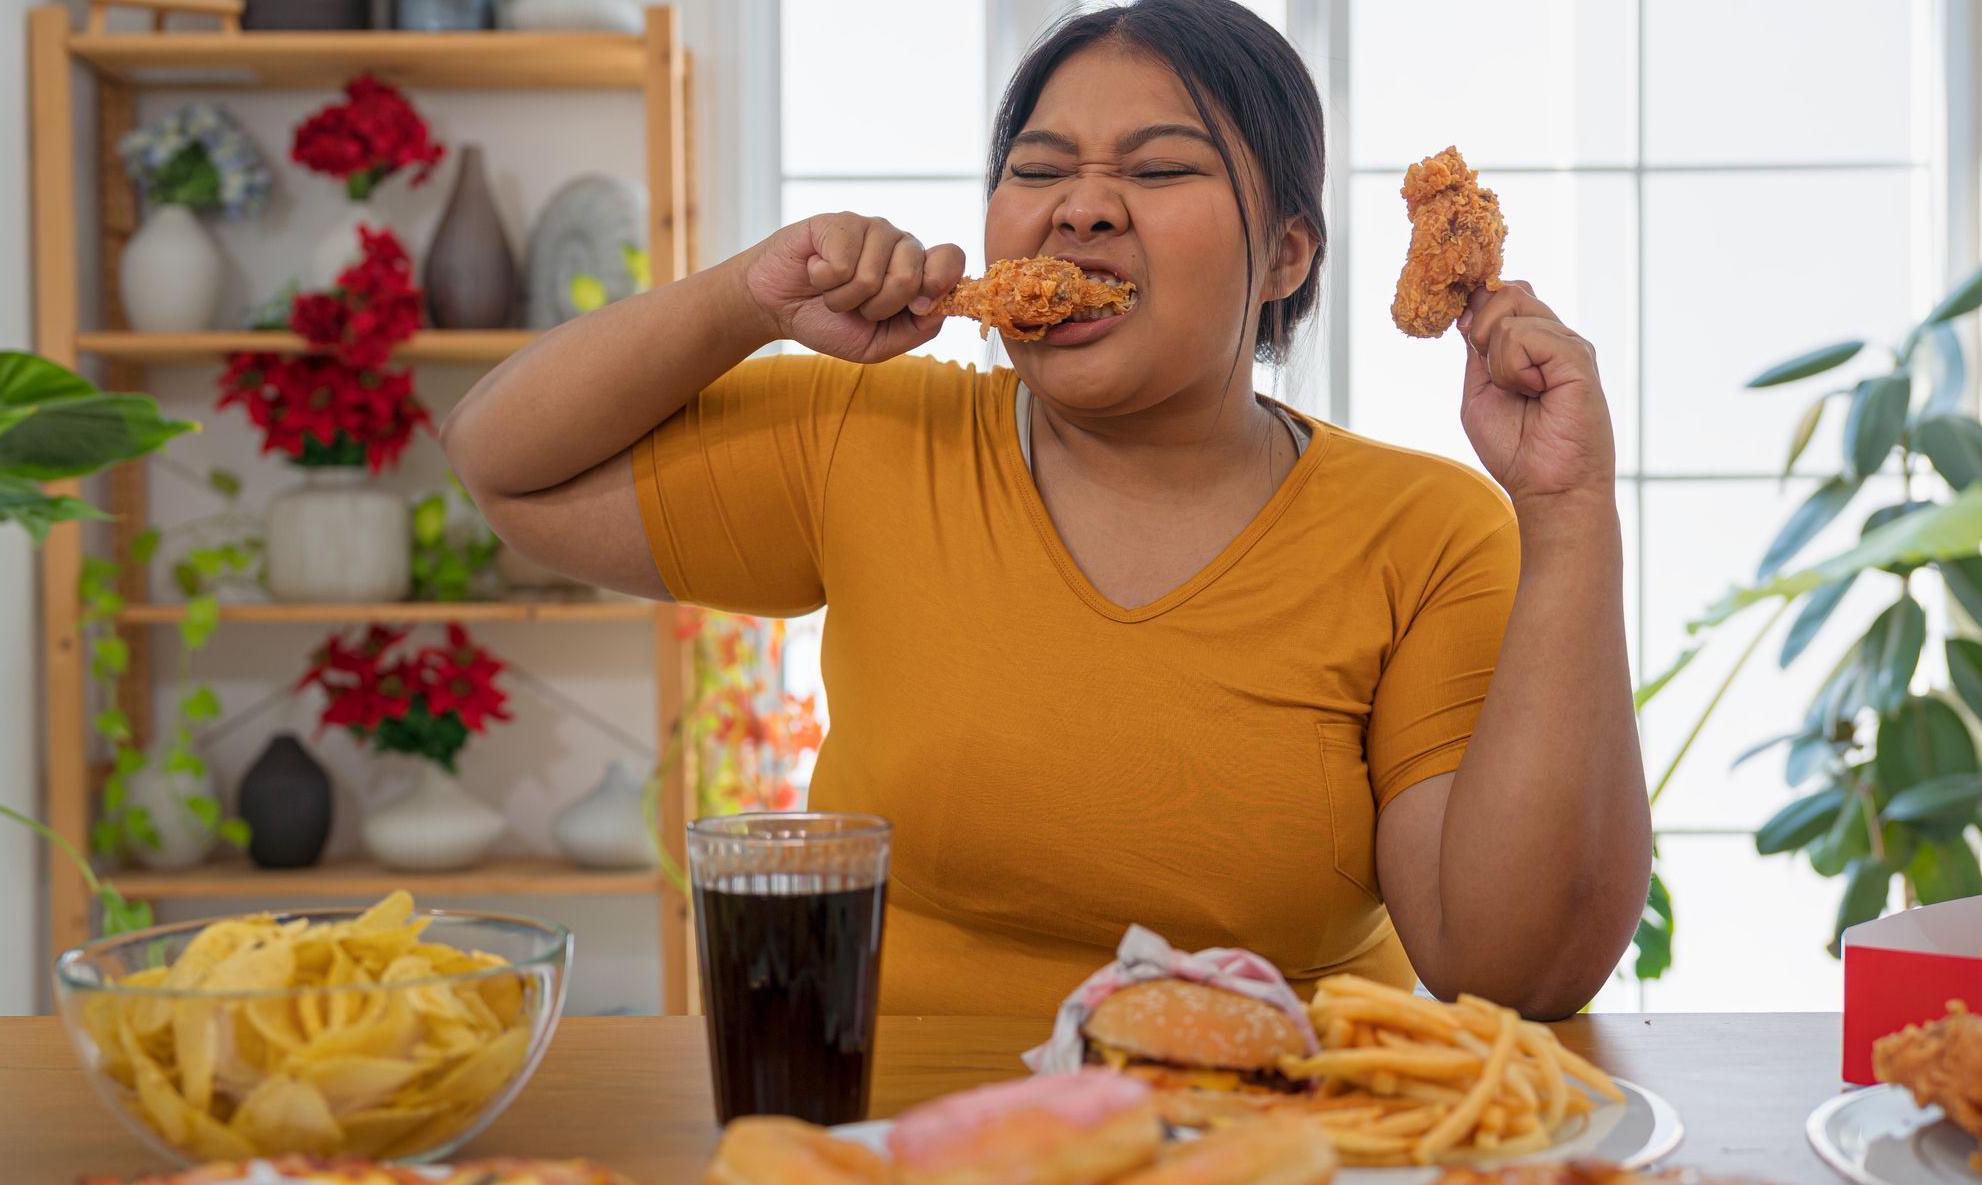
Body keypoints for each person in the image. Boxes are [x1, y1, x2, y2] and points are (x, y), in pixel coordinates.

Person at [442, 0, 1649, 1020]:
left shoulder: (1423, 531)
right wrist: (748, 298)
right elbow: (506, 468)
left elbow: (1512, 971)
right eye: (1037, 170)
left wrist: (1568, 510)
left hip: (1275, 1131)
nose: (1079, 208)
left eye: (1159, 168)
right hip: (898, 1128)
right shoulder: (865, 432)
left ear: (1285, 256)